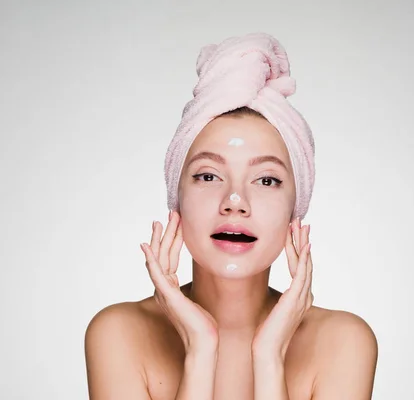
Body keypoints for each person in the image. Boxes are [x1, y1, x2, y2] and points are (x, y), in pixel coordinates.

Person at [84, 33, 378, 400]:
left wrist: (269, 358)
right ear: (176, 200)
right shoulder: (118, 333)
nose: (235, 201)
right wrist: (200, 351)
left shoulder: (344, 341)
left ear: (295, 209)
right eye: (208, 176)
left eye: (267, 179)